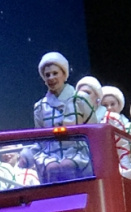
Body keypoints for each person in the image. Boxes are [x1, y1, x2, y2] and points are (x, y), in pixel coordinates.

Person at [31, 52, 94, 182]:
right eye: (47, 75)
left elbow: (93, 130)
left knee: (68, 165)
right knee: (52, 167)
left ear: (64, 75)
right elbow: (40, 139)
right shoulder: (40, 107)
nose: (51, 78)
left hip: (78, 149)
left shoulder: (80, 99)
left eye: (55, 73)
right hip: (50, 153)